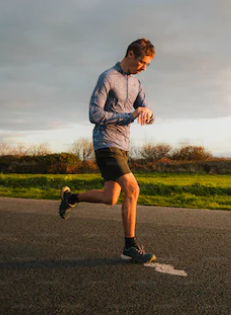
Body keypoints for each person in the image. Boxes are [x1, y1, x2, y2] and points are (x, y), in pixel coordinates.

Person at [59, 38, 156, 263]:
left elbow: (144, 113)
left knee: (110, 197)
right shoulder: (107, 78)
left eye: (148, 65)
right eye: (142, 62)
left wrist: (147, 114)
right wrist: (128, 115)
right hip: (105, 143)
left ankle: (70, 197)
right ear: (130, 54)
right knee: (132, 189)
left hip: (123, 146)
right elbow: (94, 114)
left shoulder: (137, 84)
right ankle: (129, 247)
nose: (144, 67)